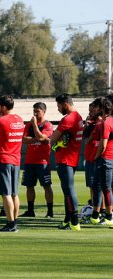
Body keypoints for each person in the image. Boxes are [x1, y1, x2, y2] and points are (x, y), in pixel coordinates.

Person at [0, 95, 24, 232]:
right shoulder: (20, 120)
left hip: (4, 159)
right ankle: (15, 221)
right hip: (16, 159)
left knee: (6, 193)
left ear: (3, 107)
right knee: (15, 193)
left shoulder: (1, 120)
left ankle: (10, 223)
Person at [50, 93, 83, 231]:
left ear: (65, 104)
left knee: (69, 190)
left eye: (58, 106)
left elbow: (53, 138)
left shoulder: (68, 119)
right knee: (66, 190)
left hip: (65, 160)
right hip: (72, 158)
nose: (58, 109)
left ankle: (75, 223)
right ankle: (67, 220)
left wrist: (55, 143)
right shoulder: (79, 117)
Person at [20, 102, 54, 218]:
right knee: (29, 186)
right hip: (30, 161)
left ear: (44, 112)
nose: (35, 113)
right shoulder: (28, 125)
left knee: (46, 186)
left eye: (38, 111)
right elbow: (24, 139)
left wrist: (35, 129)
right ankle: (30, 211)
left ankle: (50, 212)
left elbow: (42, 137)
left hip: (43, 162)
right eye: (34, 111)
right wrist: (38, 139)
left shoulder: (48, 125)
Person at [90, 98, 113, 227]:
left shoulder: (106, 123)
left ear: (102, 109)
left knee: (106, 188)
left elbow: (103, 145)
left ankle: (109, 216)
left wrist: (96, 157)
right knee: (98, 187)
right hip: (110, 159)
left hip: (105, 159)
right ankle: (96, 214)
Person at [83, 99, 104, 210]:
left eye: (92, 110)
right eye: (89, 110)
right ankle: (94, 207)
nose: (90, 112)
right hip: (89, 157)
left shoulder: (101, 123)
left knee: (100, 186)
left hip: (97, 158)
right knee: (91, 185)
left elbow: (90, 140)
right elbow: (85, 137)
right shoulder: (91, 123)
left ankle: (100, 209)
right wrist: (86, 125)